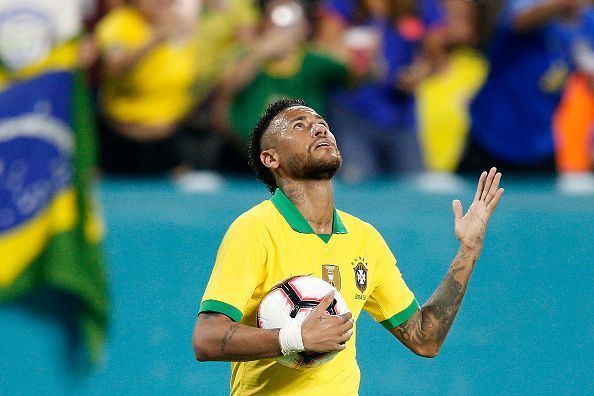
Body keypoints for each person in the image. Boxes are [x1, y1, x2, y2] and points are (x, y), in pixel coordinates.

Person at [192, 98, 504, 395]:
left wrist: (469, 251)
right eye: (299, 125)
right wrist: (296, 337)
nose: (318, 128)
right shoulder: (255, 229)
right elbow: (206, 339)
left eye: (321, 123)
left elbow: (425, 338)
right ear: (271, 158)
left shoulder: (364, 238)